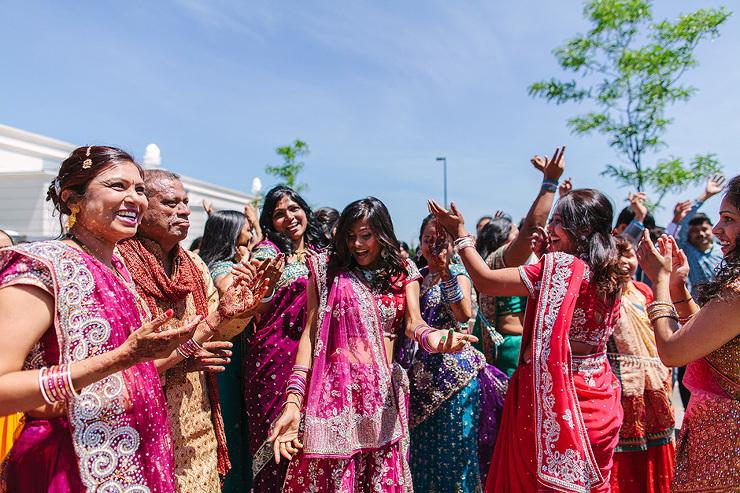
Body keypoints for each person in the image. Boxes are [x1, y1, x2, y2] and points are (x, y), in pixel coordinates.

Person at [0, 146, 202, 491]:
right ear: (72, 198)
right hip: (68, 463)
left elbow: (126, 375)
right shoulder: (41, 266)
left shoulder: (118, 268)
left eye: (139, 189)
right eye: (116, 186)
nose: (134, 199)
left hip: (137, 458)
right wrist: (123, 356)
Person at [270, 197, 475, 492]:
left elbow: (413, 324)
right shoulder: (327, 271)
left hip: (382, 398)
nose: (357, 244)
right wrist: (293, 400)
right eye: (351, 236)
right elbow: (310, 336)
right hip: (333, 395)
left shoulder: (403, 272)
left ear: (382, 233)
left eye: (365, 235)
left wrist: (435, 339)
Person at [430, 187, 625, 493]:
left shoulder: (561, 268)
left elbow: (484, 281)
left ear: (583, 230)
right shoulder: (612, 273)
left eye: (558, 221)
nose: (550, 228)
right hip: (599, 397)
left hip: (561, 400)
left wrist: (460, 233)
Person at [117, 170, 270, 491]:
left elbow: (220, 331)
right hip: (140, 417)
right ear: (142, 211)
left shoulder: (194, 266)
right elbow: (120, 355)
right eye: (171, 203)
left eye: (185, 202)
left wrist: (246, 306)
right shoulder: (118, 266)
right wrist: (185, 356)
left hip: (197, 420)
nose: (185, 210)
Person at [636, 174, 740, 492]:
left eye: (729, 219)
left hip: (726, 453)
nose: (718, 229)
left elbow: (672, 351)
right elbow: (710, 340)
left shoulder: (736, 292)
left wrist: (659, 284)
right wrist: (678, 291)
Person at [408, 214, 508, 491]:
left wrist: (445, 273)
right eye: (429, 239)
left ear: (453, 246)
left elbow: (463, 313)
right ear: (420, 243)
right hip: (421, 380)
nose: (435, 245)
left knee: (455, 458)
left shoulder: (459, 274)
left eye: (442, 240)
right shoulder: (415, 278)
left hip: (456, 379)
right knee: (422, 458)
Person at [246, 186, 330, 492]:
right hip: (276, 357)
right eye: (279, 214)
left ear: (305, 211)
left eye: (294, 209)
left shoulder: (324, 252)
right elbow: (258, 310)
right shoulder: (267, 252)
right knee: (278, 441)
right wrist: (266, 286)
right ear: (270, 222)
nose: (289, 217)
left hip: (320, 357)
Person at [198, 209, 279, 492]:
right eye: (246, 229)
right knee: (231, 428)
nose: (250, 234)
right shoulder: (221, 267)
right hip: (226, 360)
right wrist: (249, 281)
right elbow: (229, 287)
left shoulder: (234, 262)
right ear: (232, 233)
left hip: (239, 356)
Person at [472, 148, 565, 375]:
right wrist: (550, 181)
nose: (524, 241)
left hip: (518, 349)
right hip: (510, 353)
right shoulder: (498, 262)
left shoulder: (501, 263)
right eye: (515, 236)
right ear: (503, 242)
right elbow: (532, 229)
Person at [607, 235, 675, 492]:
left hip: (654, 384)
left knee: (655, 456)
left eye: (630, 255)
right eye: (618, 254)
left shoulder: (645, 291)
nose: (625, 262)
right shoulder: (600, 290)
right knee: (620, 460)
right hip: (619, 385)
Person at [672, 174, 726, 297]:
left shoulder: (723, 251)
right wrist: (705, 195)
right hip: (699, 309)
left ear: (712, 229)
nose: (701, 234)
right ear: (688, 234)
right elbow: (684, 220)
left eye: (704, 229)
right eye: (695, 231)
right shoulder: (686, 251)